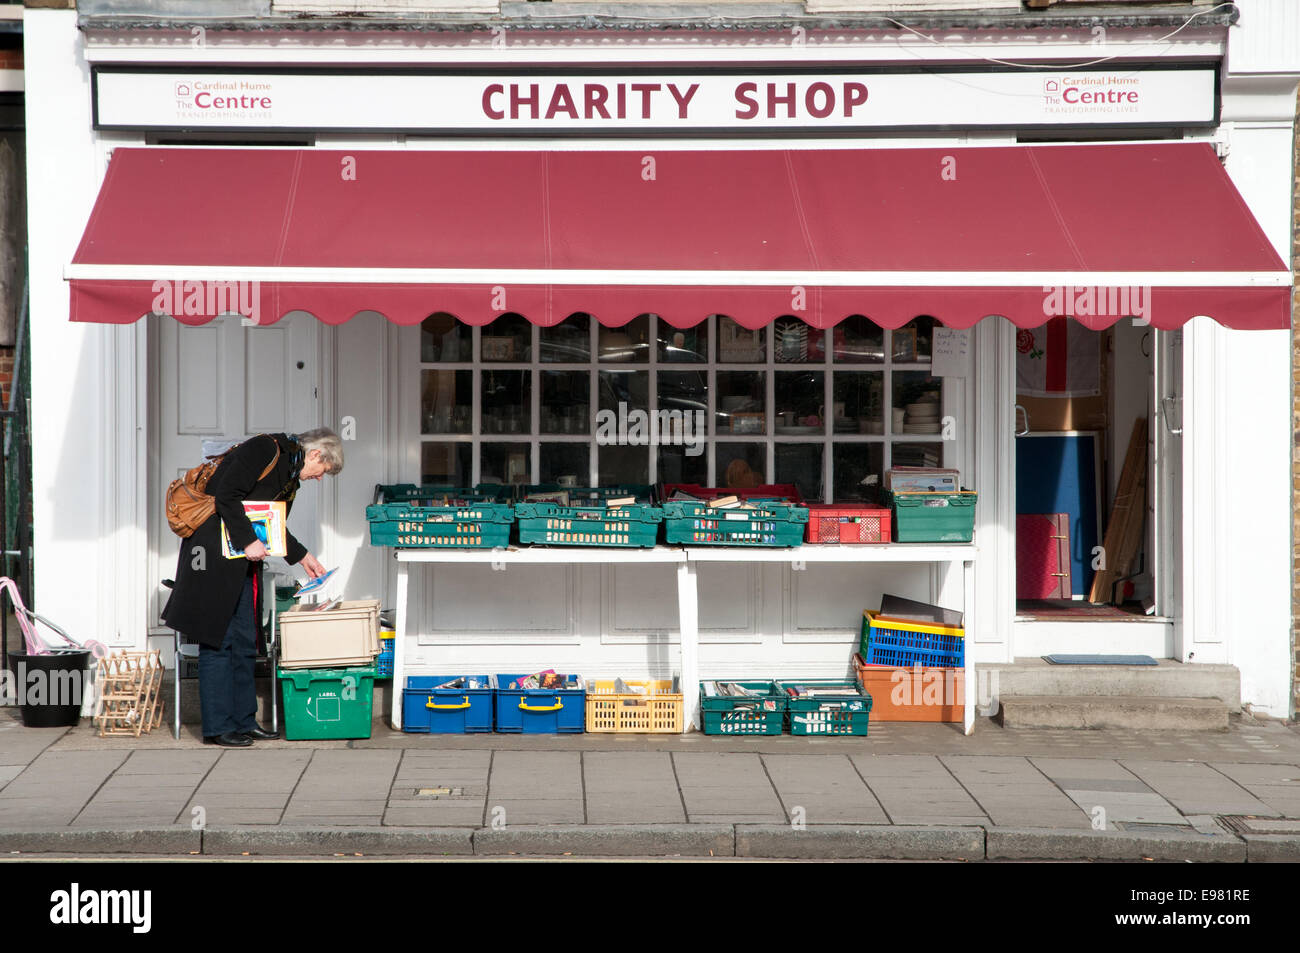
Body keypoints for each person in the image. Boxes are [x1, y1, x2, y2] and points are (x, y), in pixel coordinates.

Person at [162, 429, 343, 747]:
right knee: (217, 640)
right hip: (213, 553)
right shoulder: (264, 449)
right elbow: (227, 495)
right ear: (316, 455)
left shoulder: (289, 473)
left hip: (243, 559)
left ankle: (244, 722)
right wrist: (248, 540)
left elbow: (270, 521)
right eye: (323, 472)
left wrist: (303, 557)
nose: (318, 478)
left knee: (246, 640)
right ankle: (218, 727)